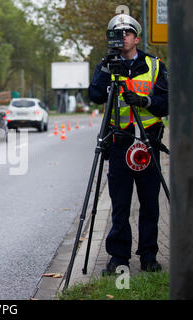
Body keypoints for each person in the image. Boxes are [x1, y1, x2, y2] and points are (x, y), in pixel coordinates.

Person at [88, 14, 169, 275]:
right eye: (116, 33)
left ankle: (149, 255)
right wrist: (105, 68)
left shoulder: (154, 65)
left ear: (136, 37)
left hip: (148, 143)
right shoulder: (107, 65)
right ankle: (118, 257)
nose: (122, 37)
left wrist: (145, 102)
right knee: (120, 205)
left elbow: (167, 104)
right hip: (120, 142)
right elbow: (95, 96)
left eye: (126, 32)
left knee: (149, 204)